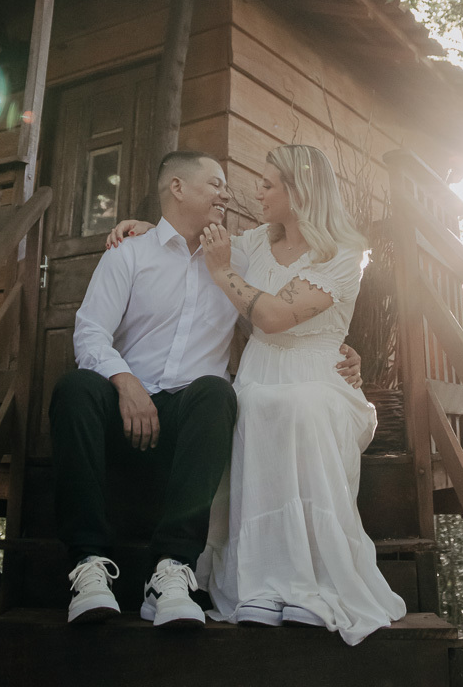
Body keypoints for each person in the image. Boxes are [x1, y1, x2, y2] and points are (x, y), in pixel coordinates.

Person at [49, 150, 362, 629]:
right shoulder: (131, 252)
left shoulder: (240, 257)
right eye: (216, 184)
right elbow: (90, 331)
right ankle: (88, 566)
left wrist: (340, 348)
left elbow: (285, 301)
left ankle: (172, 569)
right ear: (177, 188)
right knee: (74, 390)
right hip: (125, 404)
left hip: (190, 415)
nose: (228, 193)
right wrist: (125, 382)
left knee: (218, 392)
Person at [110, 144, 406, 646]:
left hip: (318, 373)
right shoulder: (254, 243)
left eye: (268, 184)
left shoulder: (343, 253)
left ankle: (307, 583)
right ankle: (258, 583)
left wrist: (223, 273)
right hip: (260, 371)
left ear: (299, 191)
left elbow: (272, 317)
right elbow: (194, 238)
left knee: (301, 408)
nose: (258, 191)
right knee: (247, 407)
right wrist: (145, 226)